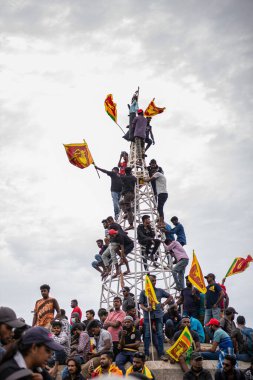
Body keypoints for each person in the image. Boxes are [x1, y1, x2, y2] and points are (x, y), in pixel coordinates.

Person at [139, 274, 173, 361]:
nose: (154, 282)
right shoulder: (144, 292)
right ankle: (146, 354)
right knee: (146, 335)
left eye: (155, 281)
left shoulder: (160, 291)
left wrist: (164, 304)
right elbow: (141, 305)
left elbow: (170, 296)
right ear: (148, 282)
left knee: (160, 335)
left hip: (158, 314)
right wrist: (146, 308)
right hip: (148, 315)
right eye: (152, 281)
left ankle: (161, 354)